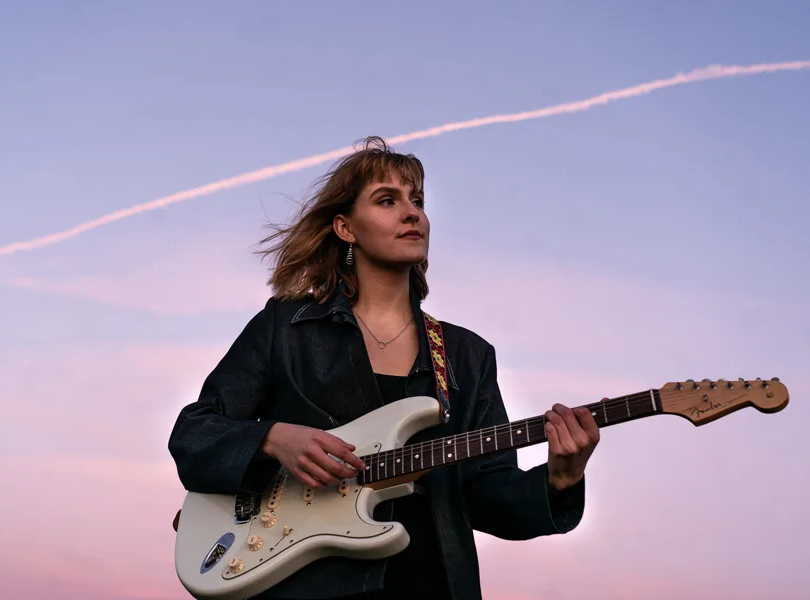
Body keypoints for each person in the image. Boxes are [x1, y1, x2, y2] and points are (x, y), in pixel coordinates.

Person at [167, 136, 600, 599]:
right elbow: (194, 434)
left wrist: (559, 479)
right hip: (305, 586)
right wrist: (274, 438)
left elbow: (487, 497)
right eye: (387, 200)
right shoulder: (286, 328)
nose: (412, 213)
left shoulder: (466, 356)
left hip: (431, 583)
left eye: (418, 201)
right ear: (345, 227)